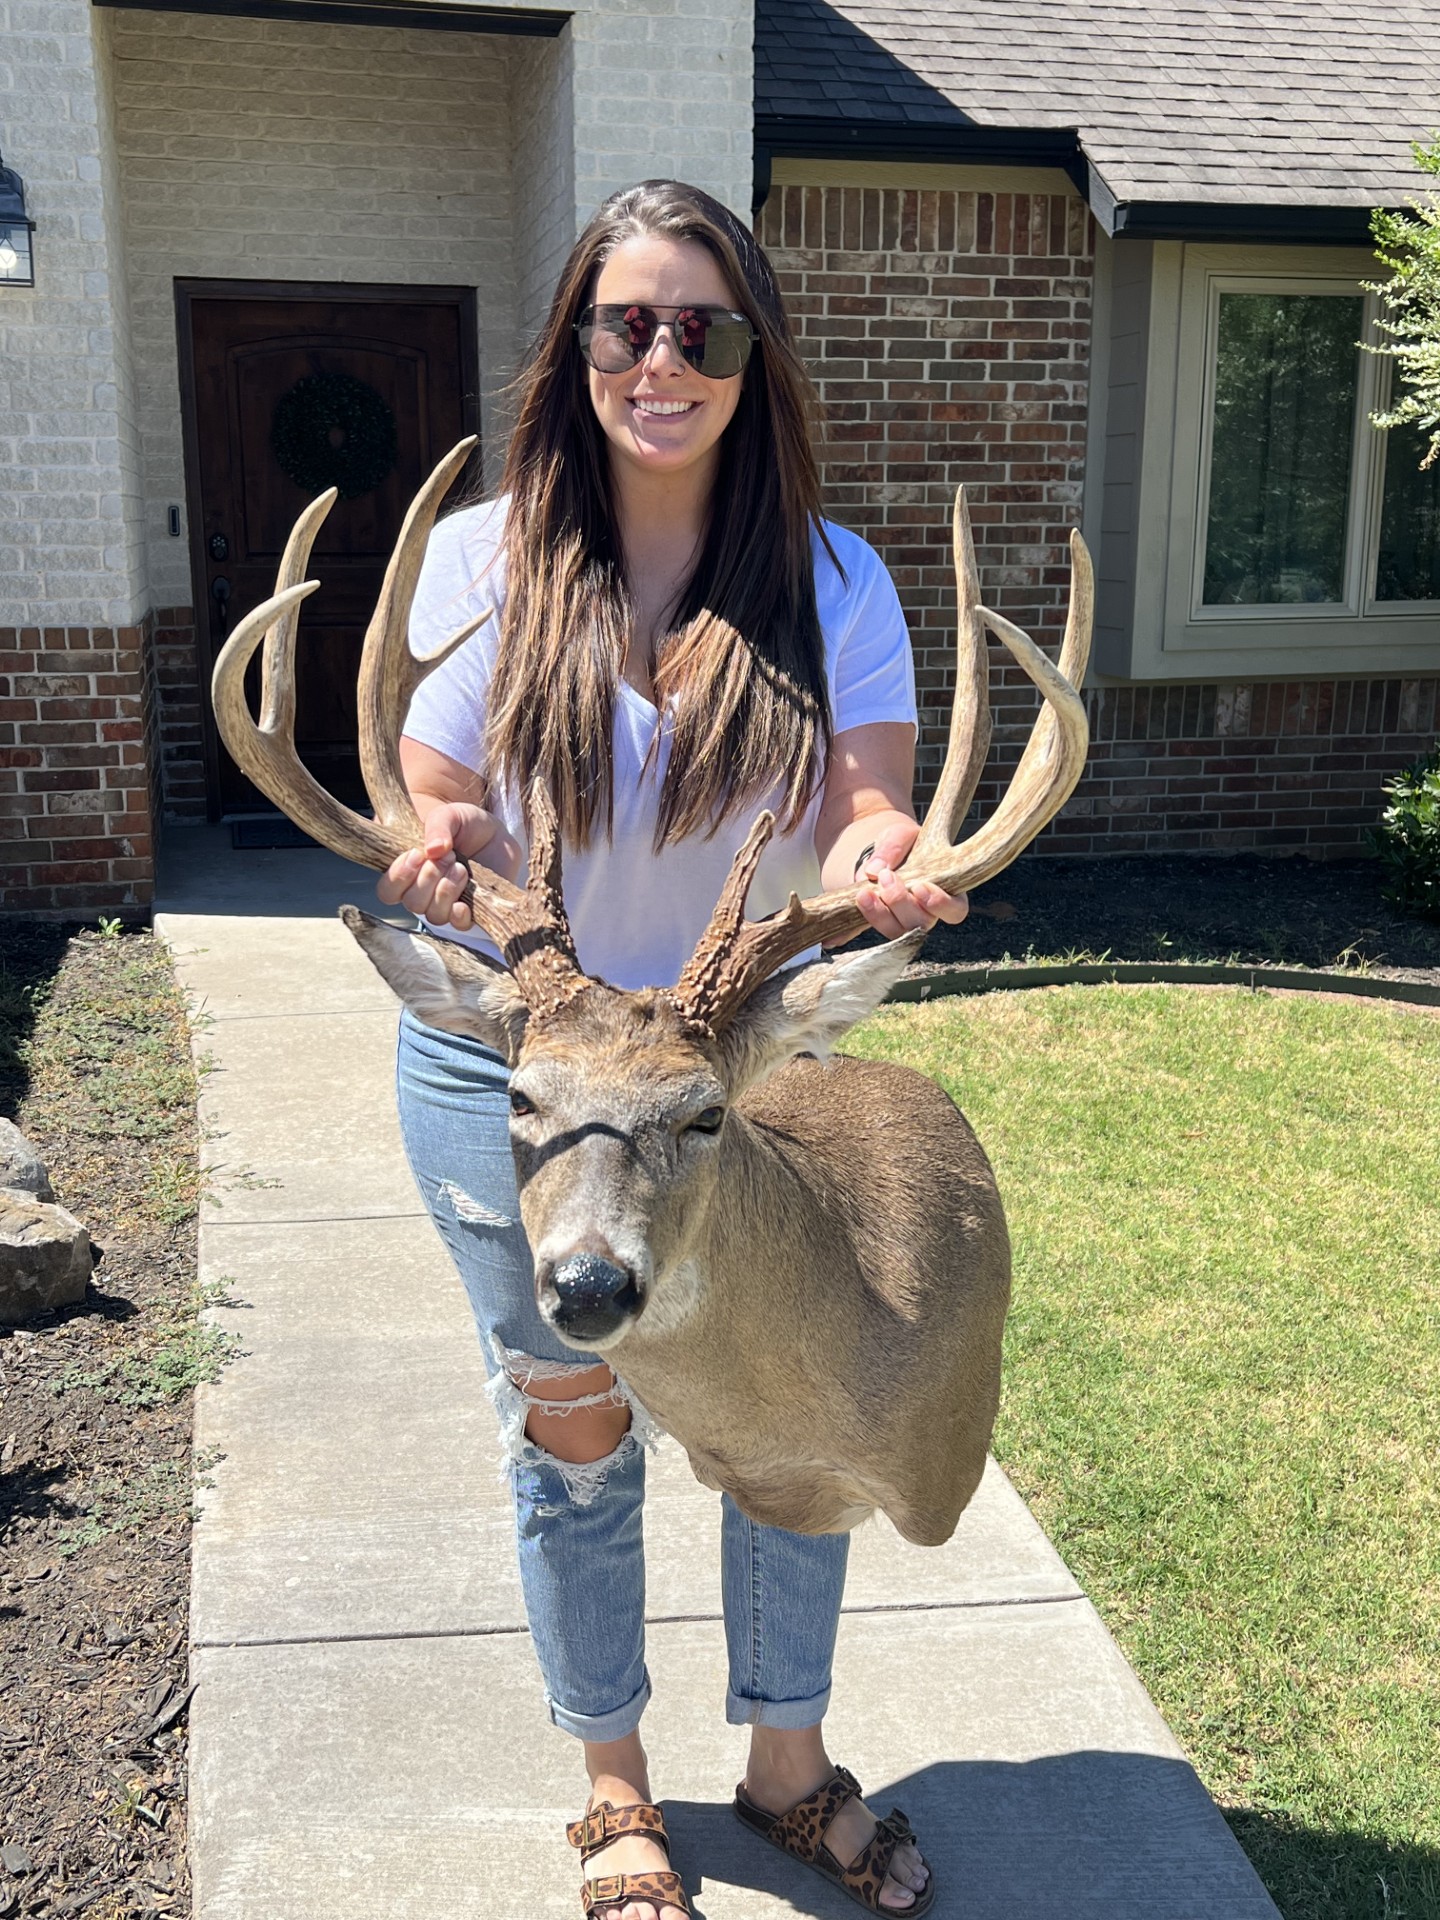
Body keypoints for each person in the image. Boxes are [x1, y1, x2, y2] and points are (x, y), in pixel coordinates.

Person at [377, 178, 966, 1920]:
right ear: (574, 351)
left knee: (786, 1410)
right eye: (625, 323)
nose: (662, 359)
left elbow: (867, 792)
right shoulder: (488, 558)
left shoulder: (829, 578)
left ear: (748, 357)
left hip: (724, 1078)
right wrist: (440, 842)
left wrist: (876, 858)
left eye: (700, 329)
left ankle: (786, 1761)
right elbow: (441, 782)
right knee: (573, 1419)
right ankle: (615, 1785)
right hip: (533, 1074)